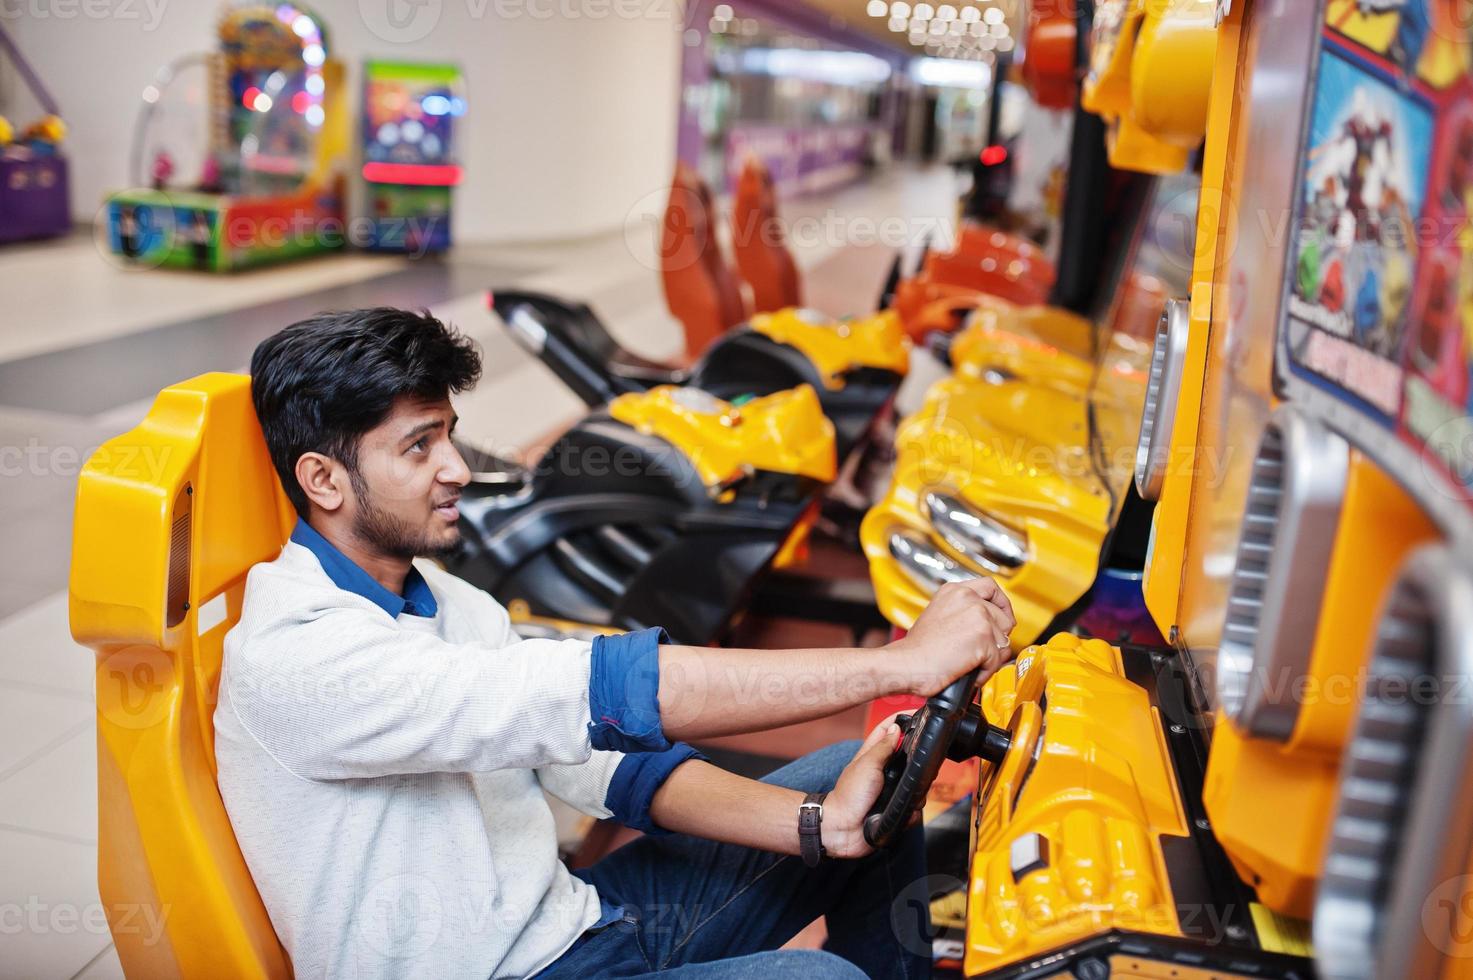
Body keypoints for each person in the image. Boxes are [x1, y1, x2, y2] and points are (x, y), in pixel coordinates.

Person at [215, 308, 1017, 980]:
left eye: (449, 435)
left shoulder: (448, 600)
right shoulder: (301, 655)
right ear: (323, 481)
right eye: (419, 446)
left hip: (582, 922)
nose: (457, 467)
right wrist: (900, 662)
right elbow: (612, 690)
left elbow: (611, 768)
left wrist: (819, 824)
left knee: (859, 785)